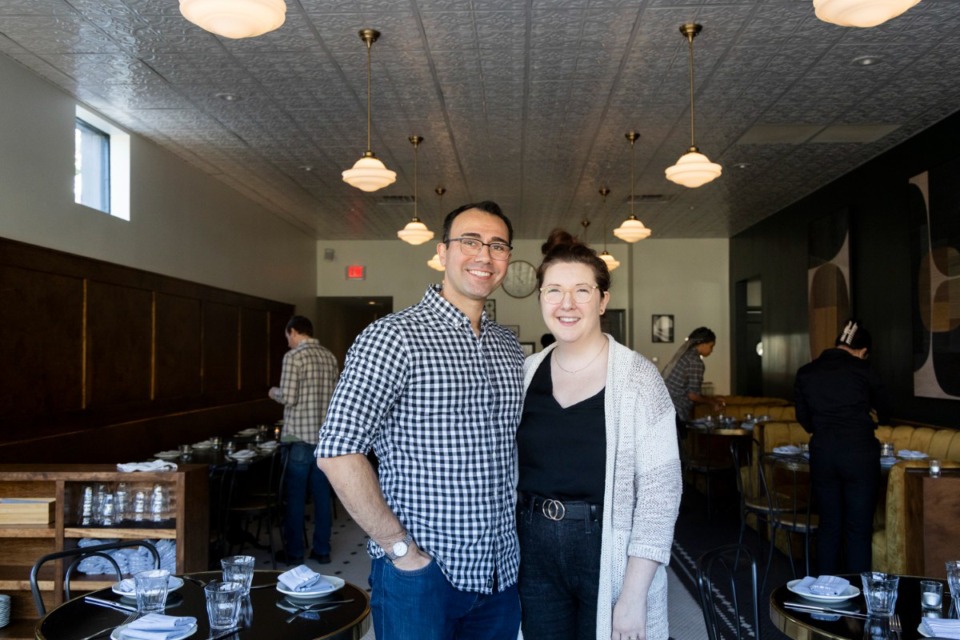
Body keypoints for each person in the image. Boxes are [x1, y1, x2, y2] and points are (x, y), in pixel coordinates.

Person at [316, 201, 524, 640]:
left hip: (500, 575)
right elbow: (337, 451)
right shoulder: (394, 337)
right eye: (470, 241)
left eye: (498, 245)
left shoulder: (508, 346)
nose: (484, 255)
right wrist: (402, 551)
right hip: (423, 576)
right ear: (442, 252)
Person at [516, 229, 681, 640]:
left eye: (581, 291)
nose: (566, 304)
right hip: (532, 549)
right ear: (540, 298)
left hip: (607, 548)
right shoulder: (524, 374)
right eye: (553, 290)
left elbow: (661, 493)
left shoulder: (640, 379)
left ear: (603, 300)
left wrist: (633, 594)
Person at [794, 319, 890, 574]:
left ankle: (826, 594)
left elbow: (804, 419)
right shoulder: (863, 370)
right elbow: (887, 410)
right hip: (859, 454)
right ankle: (857, 595)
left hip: (823, 452)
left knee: (829, 526)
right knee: (858, 529)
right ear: (862, 351)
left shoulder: (807, 372)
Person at [268, 315, 337, 565]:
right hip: (324, 439)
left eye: (288, 336)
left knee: (295, 498)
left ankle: (294, 552)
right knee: (322, 497)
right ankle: (322, 550)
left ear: (294, 331)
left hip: (299, 437)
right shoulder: (328, 357)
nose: (287, 341)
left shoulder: (293, 357)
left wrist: (273, 392)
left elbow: (288, 397)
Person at [661, 327, 724, 428]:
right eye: (711, 346)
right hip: (676, 411)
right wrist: (712, 402)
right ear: (703, 344)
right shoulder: (695, 362)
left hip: (663, 408)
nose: (711, 351)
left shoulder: (684, 355)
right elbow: (693, 395)